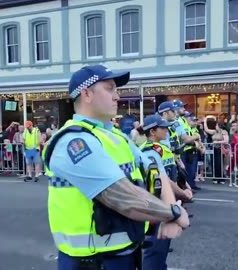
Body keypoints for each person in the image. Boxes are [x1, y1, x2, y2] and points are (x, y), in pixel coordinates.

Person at [42, 65, 190, 270]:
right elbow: (120, 195)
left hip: (126, 254)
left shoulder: (116, 136)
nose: (117, 96)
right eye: (109, 88)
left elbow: (155, 169)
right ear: (86, 93)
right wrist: (172, 213)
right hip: (91, 262)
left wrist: (169, 208)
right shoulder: (73, 142)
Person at [139, 114, 193, 270]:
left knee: (161, 251)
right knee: (155, 252)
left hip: (168, 202)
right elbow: (162, 180)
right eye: (163, 128)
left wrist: (184, 186)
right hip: (157, 205)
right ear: (152, 131)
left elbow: (171, 173)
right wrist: (182, 193)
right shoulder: (150, 152)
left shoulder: (161, 149)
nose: (167, 131)